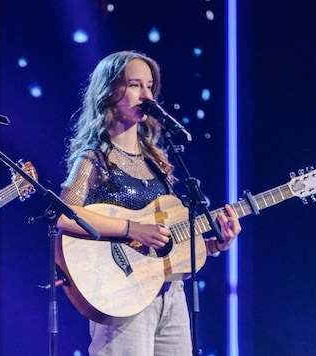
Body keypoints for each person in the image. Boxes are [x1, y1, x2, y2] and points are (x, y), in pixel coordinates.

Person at [56, 50, 242, 355]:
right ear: (110, 92)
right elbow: (65, 215)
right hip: (122, 294)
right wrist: (132, 229)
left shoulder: (159, 163)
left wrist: (215, 245)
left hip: (170, 294)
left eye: (149, 86)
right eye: (134, 85)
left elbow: (165, 244)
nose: (146, 94)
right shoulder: (93, 158)